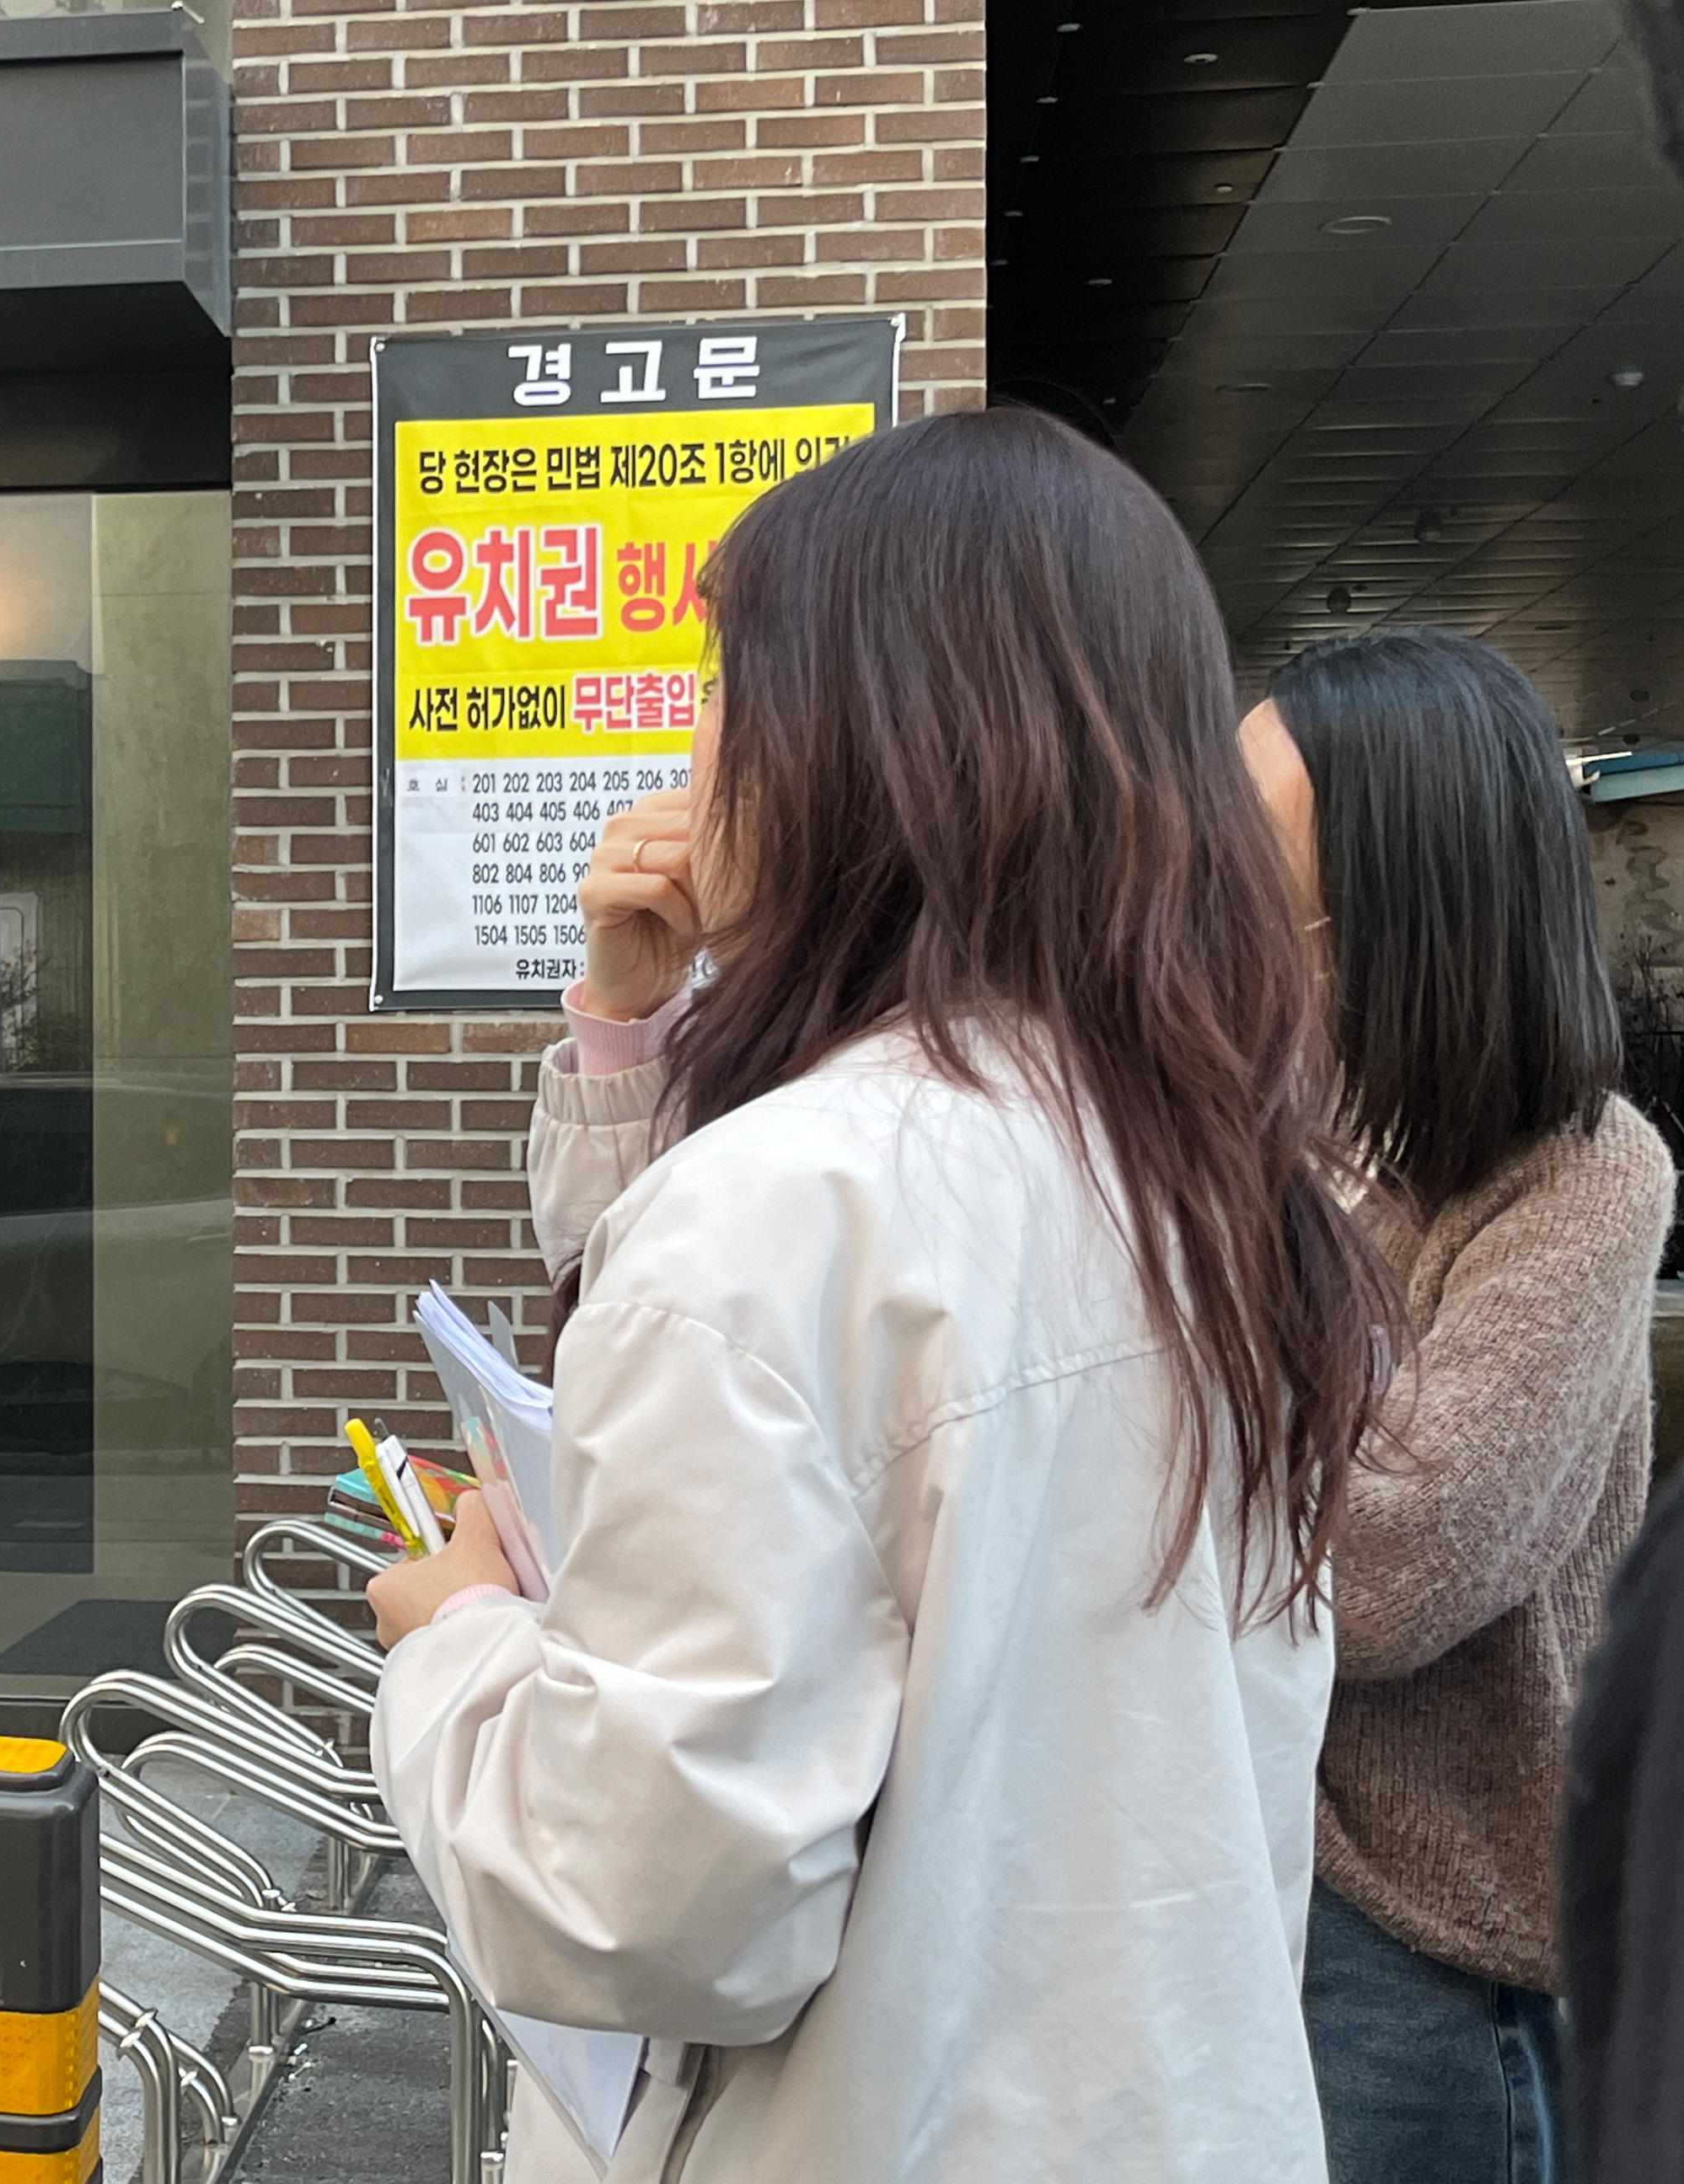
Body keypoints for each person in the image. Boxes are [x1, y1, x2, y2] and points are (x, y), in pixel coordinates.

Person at [364, 407, 1389, 2182]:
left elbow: (643, 1904)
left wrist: (454, 1642)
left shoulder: (786, 1209)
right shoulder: (1219, 1178)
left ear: (865, 740)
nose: (691, 751)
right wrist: (632, 1029)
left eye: (721, 687)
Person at [1233, 631, 1669, 2184]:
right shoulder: (1253, 1124)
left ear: (1390, 890)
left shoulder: (1578, 1172)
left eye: (1249, 839)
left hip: (1418, 1926)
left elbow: (1393, 1566)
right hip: (1239, 1855)